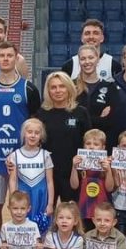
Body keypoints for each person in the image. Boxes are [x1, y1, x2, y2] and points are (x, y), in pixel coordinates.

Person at [0, 41, 40, 224]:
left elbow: (34, 122)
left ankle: (24, 238)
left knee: (23, 203)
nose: (5, 59)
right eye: (2, 55)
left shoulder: (29, 89)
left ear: (16, 58)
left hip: (23, 156)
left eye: (9, 55)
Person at [39, 71, 91, 205]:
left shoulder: (81, 112)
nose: (58, 90)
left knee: (71, 212)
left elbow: (89, 143)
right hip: (48, 172)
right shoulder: (42, 113)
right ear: (48, 91)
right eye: (53, 87)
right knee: (46, 211)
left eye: (62, 86)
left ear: (69, 88)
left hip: (73, 172)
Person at [6, 118, 54, 220]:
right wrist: (12, 200)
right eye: (30, 132)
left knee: (41, 226)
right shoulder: (15, 155)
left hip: (41, 196)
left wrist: (50, 204)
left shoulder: (45, 155)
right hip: (22, 197)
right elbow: (13, 180)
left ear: (41, 136)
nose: (33, 135)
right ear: (24, 133)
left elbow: (50, 181)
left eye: (37, 133)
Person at [71, 129, 113, 230]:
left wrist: (108, 170)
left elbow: (110, 188)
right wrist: (74, 167)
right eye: (88, 143)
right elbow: (74, 185)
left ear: (103, 147)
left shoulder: (106, 163)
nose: (91, 147)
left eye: (96, 144)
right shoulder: (80, 162)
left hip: (101, 208)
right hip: (84, 207)